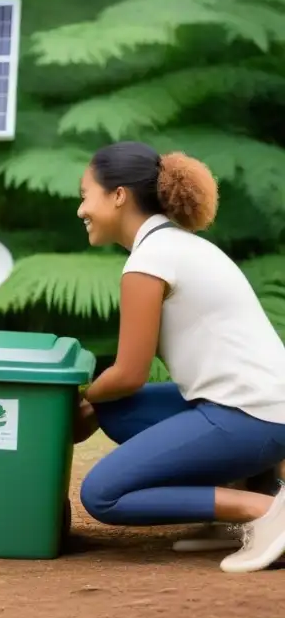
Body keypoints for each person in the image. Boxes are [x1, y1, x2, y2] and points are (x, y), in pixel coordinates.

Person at [74, 141, 285, 574]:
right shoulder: (177, 245)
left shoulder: (149, 262)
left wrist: (79, 399)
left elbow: (129, 373)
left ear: (118, 196)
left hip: (254, 414)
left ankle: (264, 509)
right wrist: (98, 402)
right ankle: (233, 503)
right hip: (260, 406)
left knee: (102, 495)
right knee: (117, 412)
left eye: (85, 195)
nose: (81, 210)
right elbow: (125, 389)